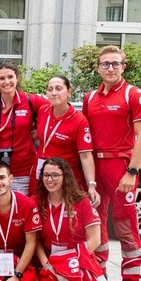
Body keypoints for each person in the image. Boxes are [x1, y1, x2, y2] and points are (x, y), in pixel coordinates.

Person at [82, 45, 141, 281]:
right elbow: (84, 135)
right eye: (105, 64)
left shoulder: (134, 94)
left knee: (124, 225)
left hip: (121, 168)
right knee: (96, 224)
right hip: (96, 170)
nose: (110, 68)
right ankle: (99, 277)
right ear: (98, 68)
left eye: (115, 63)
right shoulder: (90, 98)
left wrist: (131, 172)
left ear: (123, 67)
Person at [34, 158, 109, 281]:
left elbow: (95, 239)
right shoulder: (37, 202)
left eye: (55, 175)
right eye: (46, 175)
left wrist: (71, 260)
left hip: (78, 261)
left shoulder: (82, 202)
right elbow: (35, 240)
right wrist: (46, 264)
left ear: (65, 176)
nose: (49, 180)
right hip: (52, 263)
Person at [0, 61, 48, 195]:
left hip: (21, 171)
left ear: (17, 78)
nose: (7, 82)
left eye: (10, 77)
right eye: (2, 78)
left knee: (19, 212)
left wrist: (39, 132)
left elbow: (56, 110)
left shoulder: (31, 101)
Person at [29, 76, 99, 204]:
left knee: (63, 216)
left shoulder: (79, 120)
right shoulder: (43, 111)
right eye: (50, 89)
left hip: (65, 177)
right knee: (38, 210)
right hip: (41, 172)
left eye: (58, 88)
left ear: (69, 92)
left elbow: (85, 156)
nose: (54, 93)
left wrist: (91, 185)